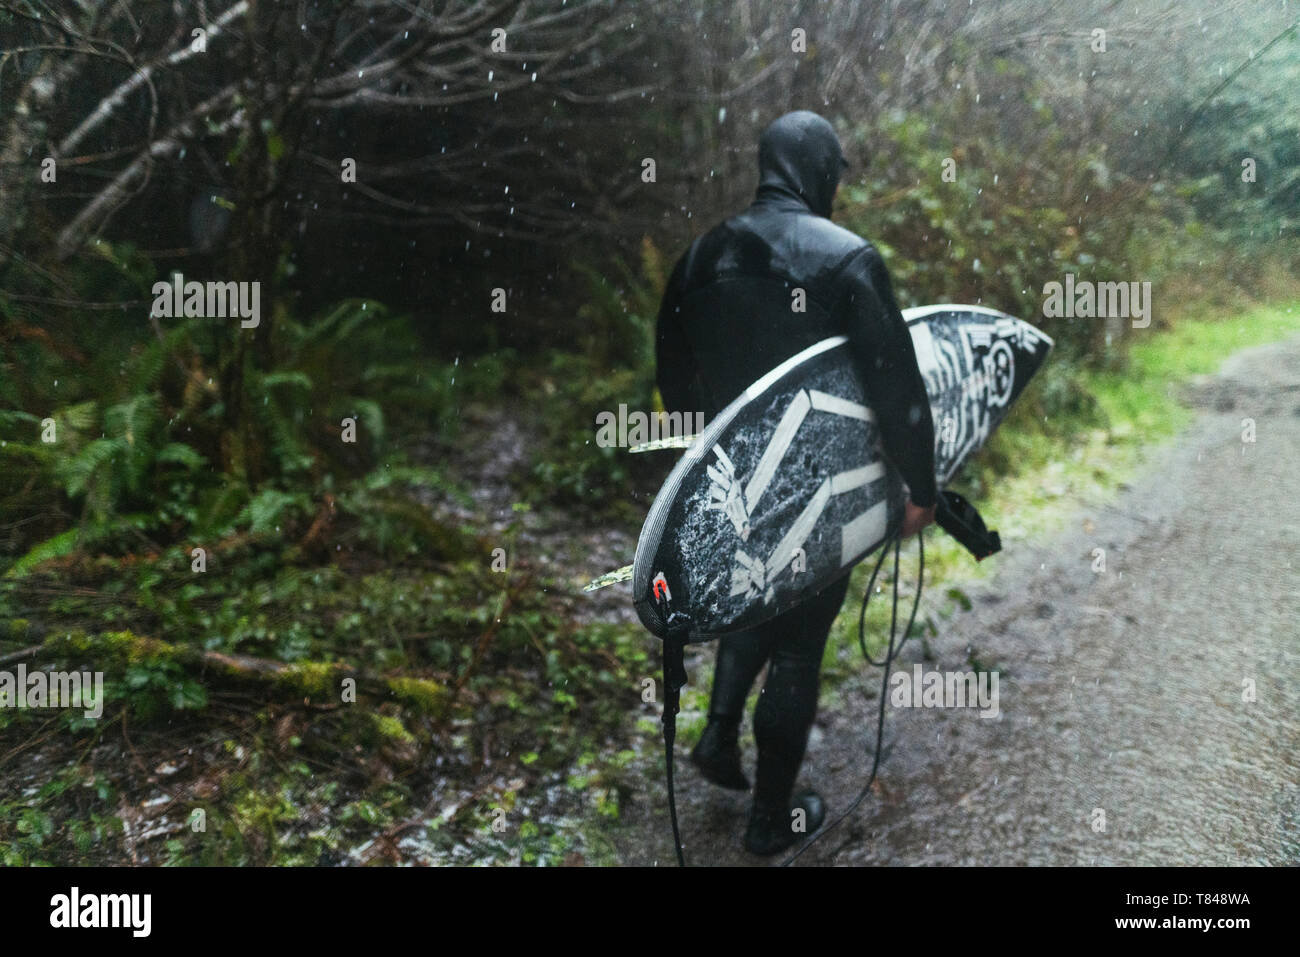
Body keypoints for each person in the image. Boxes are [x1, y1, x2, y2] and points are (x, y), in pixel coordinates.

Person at [653, 110, 937, 856]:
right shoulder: (847, 259)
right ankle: (769, 817)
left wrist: (703, 465)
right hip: (820, 483)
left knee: (753, 594)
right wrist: (921, 485)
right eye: (835, 174)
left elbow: (673, 372)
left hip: (735, 480)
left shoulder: (699, 258)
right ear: (818, 171)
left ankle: (718, 735)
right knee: (802, 639)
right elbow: (896, 383)